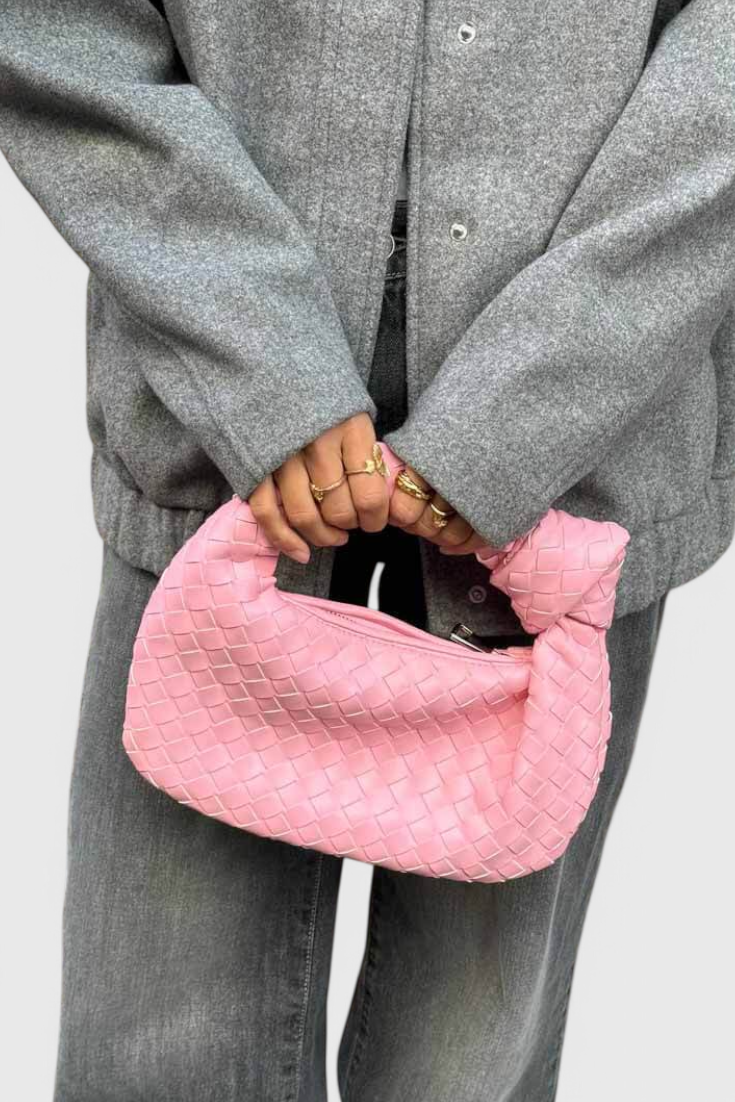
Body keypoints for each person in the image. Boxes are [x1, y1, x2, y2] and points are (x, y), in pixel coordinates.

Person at [1, 3, 733, 1100]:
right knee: (159, 1050)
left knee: (465, 1060)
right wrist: (255, 356)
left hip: (583, 447)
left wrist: (529, 409)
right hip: (213, 428)